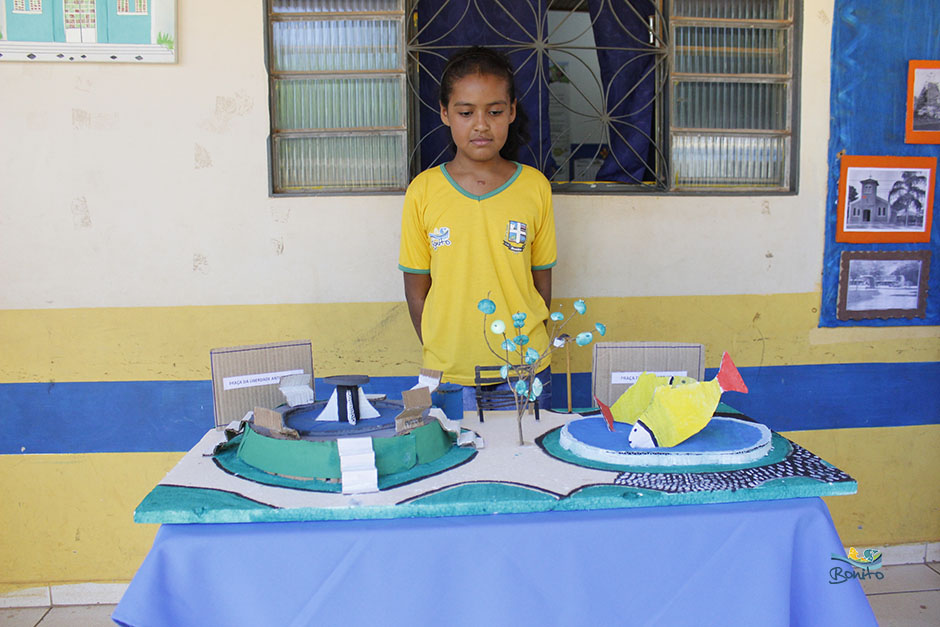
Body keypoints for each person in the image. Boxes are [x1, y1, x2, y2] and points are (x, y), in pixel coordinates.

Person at [398, 46, 556, 409]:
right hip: (448, 374)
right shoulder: (423, 191)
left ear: (512, 111)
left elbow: (540, 282)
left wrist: (526, 346)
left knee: (528, 461)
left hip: (523, 368)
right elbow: (416, 289)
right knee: (457, 463)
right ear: (444, 113)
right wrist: (444, 350)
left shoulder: (534, 187)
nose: (481, 124)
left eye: (495, 111)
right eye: (466, 112)